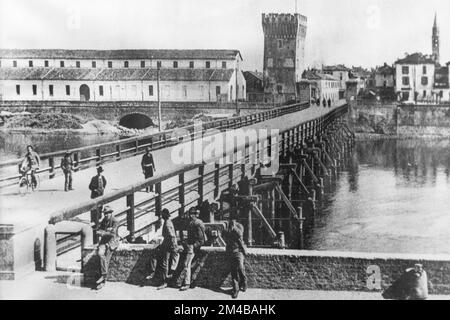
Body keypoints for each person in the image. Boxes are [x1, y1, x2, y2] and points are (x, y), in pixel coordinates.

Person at [175, 208, 205, 291]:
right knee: (188, 265)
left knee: (186, 264)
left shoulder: (197, 223)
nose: (191, 215)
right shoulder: (191, 222)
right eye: (190, 213)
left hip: (193, 248)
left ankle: (186, 283)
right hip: (189, 247)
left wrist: (193, 246)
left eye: (193, 214)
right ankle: (188, 282)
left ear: (196, 214)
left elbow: (201, 239)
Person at [222, 212, 247, 299]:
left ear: (236, 220)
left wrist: (234, 228)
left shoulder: (239, 226)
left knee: (240, 267)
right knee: (233, 271)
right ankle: (235, 289)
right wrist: (227, 228)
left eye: (233, 219)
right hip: (230, 251)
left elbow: (240, 234)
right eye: (229, 219)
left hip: (239, 251)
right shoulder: (227, 227)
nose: (231, 221)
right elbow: (223, 235)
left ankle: (244, 281)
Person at [154, 208, 180, 290]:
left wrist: (173, 245)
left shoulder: (167, 223)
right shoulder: (169, 222)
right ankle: (169, 279)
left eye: (162, 215)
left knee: (165, 263)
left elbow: (171, 235)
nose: (161, 216)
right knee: (169, 262)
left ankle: (165, 282)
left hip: (169, 245)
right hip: (169, 244)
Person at [95, 206, 119, 290]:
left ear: (111, 213)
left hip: (112, 242)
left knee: (107, 259)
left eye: (107, 213)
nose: (105, 215)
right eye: (104, 213)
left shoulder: (115, 221)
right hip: (104, 241)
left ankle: (103, 281)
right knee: (100, 254)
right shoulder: (104, 221)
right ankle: (104, 275)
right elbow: (98, 231)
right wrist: (104, 232)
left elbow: (112, 234)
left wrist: (103, 233)